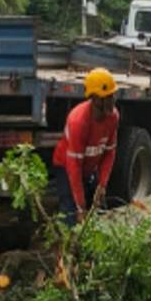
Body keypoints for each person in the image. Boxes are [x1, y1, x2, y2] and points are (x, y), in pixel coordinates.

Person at [52, 67, 120, 225]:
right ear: (95, 98)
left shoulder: (113, 116)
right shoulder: (78, 121)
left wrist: (102, 185)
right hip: (67, 167)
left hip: (88, 167)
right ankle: (67, 244)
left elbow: (109, 153)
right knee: (71, 215)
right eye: (108, 97)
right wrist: (81, 207)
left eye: (112, 95)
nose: (112, 100)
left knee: (99, 209)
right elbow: (74, 166)